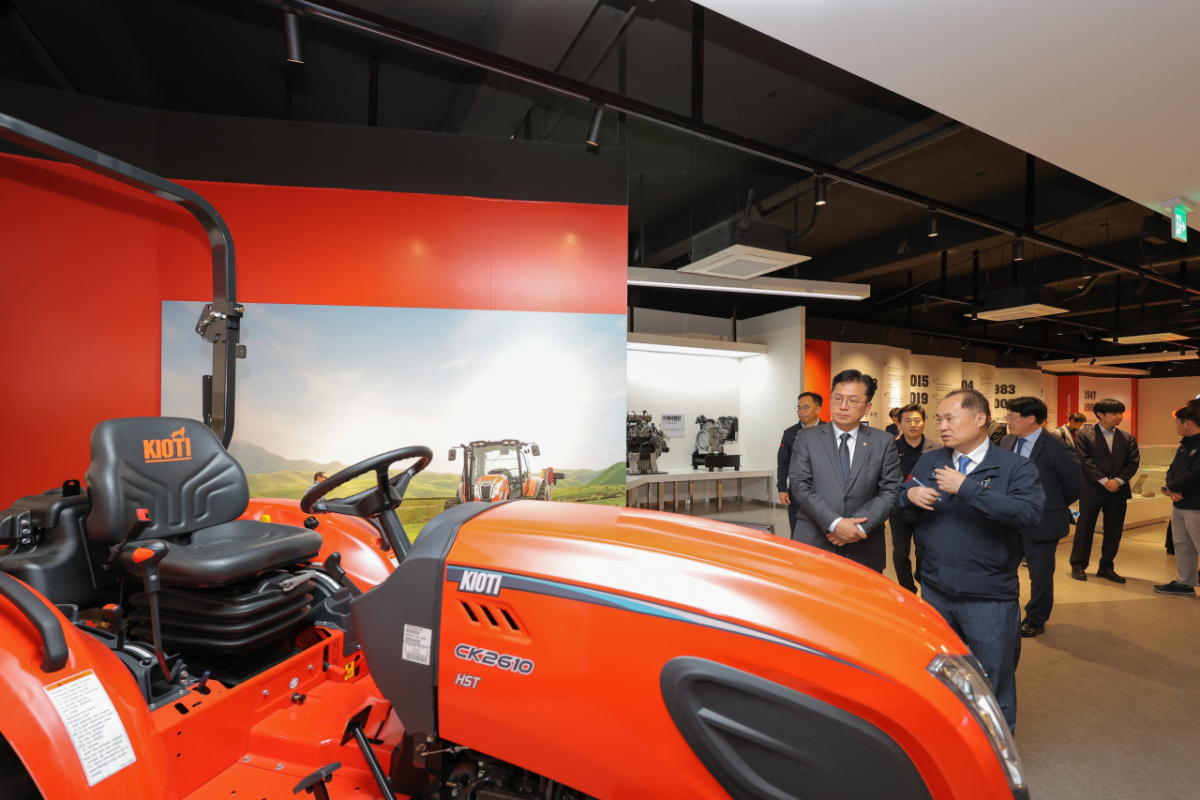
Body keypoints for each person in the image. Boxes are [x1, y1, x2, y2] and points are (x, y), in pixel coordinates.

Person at [896, 388, 1044, 731]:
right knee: (940, 675)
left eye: (950, 418)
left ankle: (993, 753)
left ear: (980, 419)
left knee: (993, 681)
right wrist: (910, 494)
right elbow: (902, 496)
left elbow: (1028, 514)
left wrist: (968, 488)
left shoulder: (1014, 467)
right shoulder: (931, 460)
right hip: (935, 589)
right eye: (939, 419)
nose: (942, 426)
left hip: (988, 595)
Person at [789, 370, 902, 572]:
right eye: (838, 398)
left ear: (867, 407)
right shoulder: (806, 438)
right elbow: (800, 485)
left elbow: (891, 489)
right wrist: (835, 523)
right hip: (814, 539)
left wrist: (856, 527)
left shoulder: (883, 441)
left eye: (853, 401)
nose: (843, 406)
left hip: (864, 544)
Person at [1000, 397, 1082, 637]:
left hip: (1042, 520)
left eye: (1012, 417)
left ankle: (1036, 618)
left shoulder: (1057, 447)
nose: (1007, 422)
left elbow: (1074, 486)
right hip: (1009, 519)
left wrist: (1049, 506)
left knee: (1040, 574)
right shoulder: (1006, 441)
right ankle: (1004, 611)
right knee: (1003, 568)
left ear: (1031, 419)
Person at [1070, 399, 1140, 583]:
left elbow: (1133, 462)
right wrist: (1103, 480)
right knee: (1085, 528)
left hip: (1118, 490)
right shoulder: (1084, 435)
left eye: (1120, 413)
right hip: (1092, 489)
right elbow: (1083, 460)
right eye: (1114, 413)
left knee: (1114, 531)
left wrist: (1118, 481)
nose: (1119, 417)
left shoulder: (1127, 438)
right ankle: (1078, 565)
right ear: (1100, 415)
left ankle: (1106, 567)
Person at [889, 403, 939, 592]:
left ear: (924, 422)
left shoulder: (936, 449)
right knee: (900, 551)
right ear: (899, 424)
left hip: (927, 509)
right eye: (907, 420)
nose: (912, 424)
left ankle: (923, 580)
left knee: (924, 550)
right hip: (898, 508)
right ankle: (907, 590)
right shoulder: (890, 449)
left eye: (917, 420)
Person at [1154, 405, 1200, 597]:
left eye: (1177, 422)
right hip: (1180, 504)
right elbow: (1172, 469)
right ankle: (1185, 583)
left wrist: (1171, 487)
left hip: (1196, 506)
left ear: (1188, 423)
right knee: (1182, 545)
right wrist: (1171, 487)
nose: (1176, 427)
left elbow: (1196, 473)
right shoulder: (1184, 444)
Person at [777, 393, 826, 536]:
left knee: (823, 533)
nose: (801, 411)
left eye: (806, 407)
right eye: (799, 408)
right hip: (797, 492)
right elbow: (783, 462)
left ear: (818, 409)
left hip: (823, 491)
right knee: (797, 531)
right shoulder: (790, 433)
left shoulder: (830, 431)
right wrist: (782, 488)